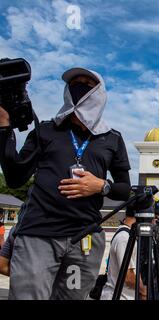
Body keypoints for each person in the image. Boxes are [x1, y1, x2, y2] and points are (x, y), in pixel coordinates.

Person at [0, 67, 131, 300]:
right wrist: (3, 126)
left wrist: (102, 185)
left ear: (99, 94)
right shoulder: (47, 131)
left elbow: (124, 189)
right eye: (75, 83)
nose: (79, 87)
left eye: (87, 84)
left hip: (83, 243)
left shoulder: (112, 138)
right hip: (39, 237)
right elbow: (14, 176)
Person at [101, 211, 146, 300]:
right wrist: (144, 291)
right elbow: (128, 276)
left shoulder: (127, 234)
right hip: (119, 296)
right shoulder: (124, 238)